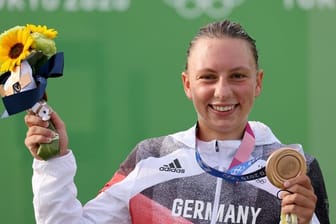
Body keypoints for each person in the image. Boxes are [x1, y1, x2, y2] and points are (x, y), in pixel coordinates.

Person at [24, 20, 330, 224]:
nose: (222, 92)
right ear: (187, 84)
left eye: (237, 76)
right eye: (207, 77)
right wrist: (53, 164)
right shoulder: (151, 158)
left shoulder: (296, 169)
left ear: (258, 82)